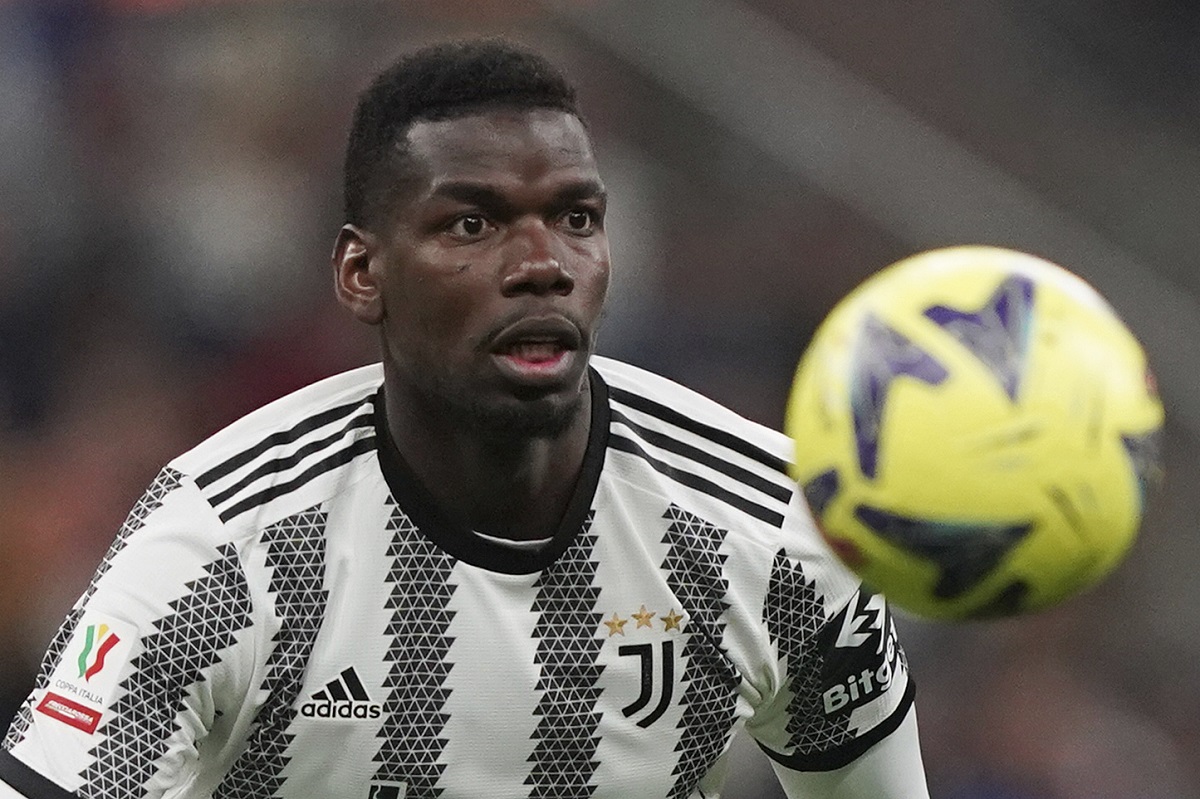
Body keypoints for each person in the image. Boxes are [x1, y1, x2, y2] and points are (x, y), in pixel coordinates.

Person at [0, 39, 929, 799]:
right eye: (471, 226)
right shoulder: (222, 550)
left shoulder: (771, 527)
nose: (542, 263)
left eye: (575, 217)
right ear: (363, 274)